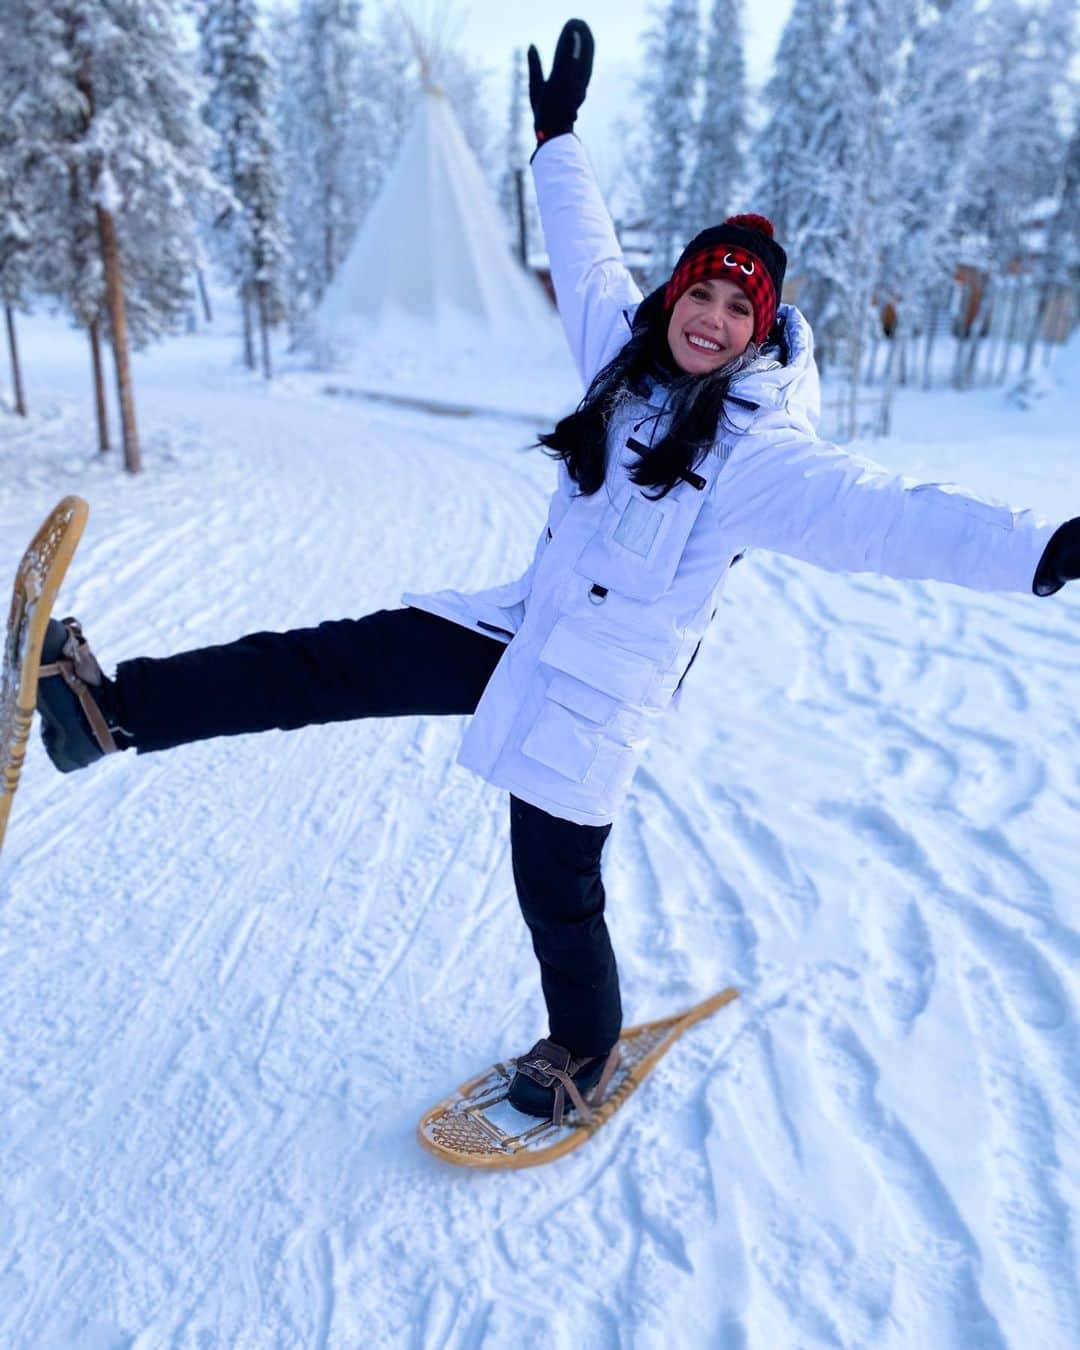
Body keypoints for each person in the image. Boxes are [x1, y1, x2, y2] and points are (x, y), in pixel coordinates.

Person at [34, 20, 1080, 1126]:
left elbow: (890, 520)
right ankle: (109, 713)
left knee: (556, 892)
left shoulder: (762, 459)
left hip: (597, 694)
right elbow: (586, 252)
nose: (713, 318)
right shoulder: (621, 367)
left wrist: (1041, 550)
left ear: (760, 330)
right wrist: (555, 138)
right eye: (702, 294)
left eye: (739, 308)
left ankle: (581, 1048)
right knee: (320, 665)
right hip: (515, 633)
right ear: (677, 296)